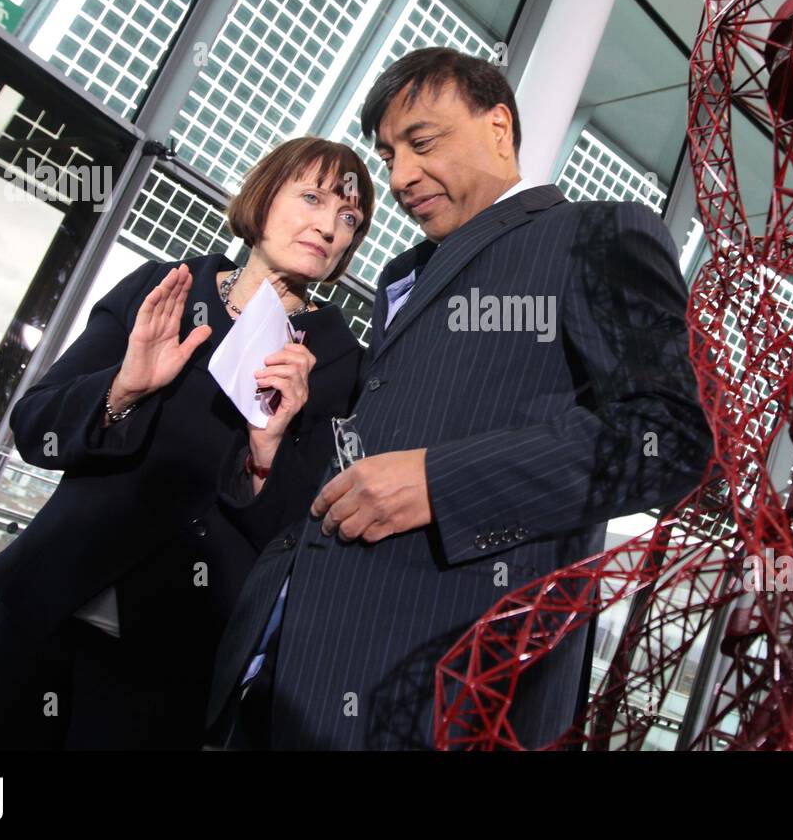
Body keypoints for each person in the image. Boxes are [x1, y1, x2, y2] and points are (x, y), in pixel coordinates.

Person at [205, 48, 711, 750]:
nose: (399, 176)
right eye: (387, 154)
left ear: (499, 127)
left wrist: (441, 483)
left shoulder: (596, 236)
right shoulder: (402, 274)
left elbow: (670, 439)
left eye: (422, 142)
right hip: (284, 667)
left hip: (432, 694)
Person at [0, 136, 373, 749]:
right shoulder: (167, 288)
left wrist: (268, 450)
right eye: (312, 197)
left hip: (170, 663)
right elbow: (36, 427)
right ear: (264, 195)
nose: (328, 225)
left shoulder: (340, 363)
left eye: (349, 217)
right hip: (44, 611)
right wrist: (124, 387)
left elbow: (305, 537)